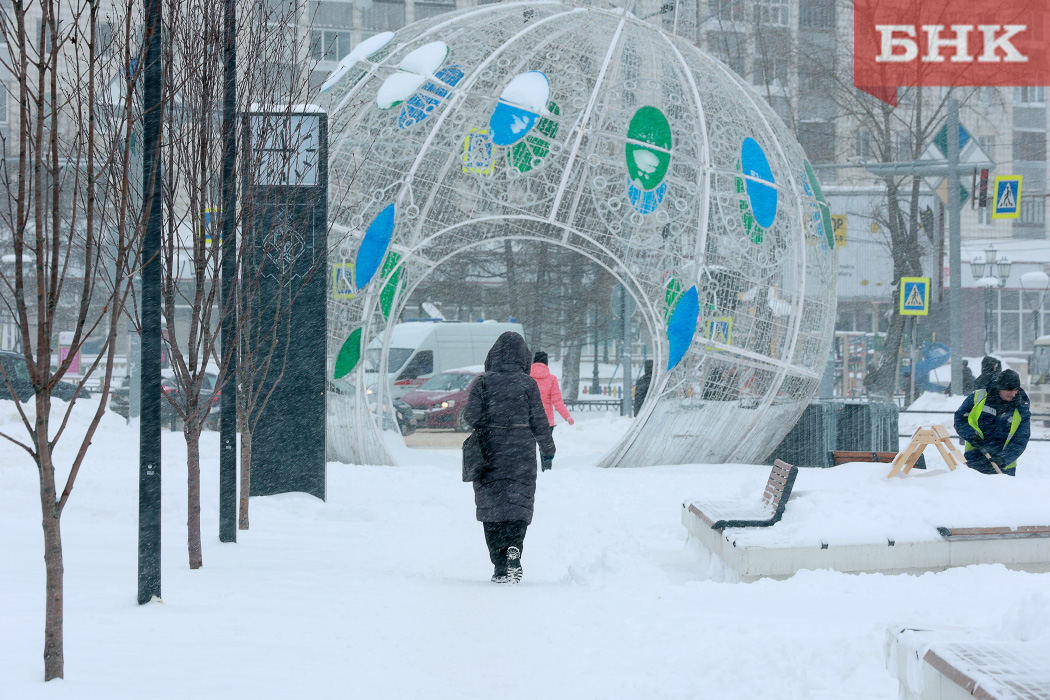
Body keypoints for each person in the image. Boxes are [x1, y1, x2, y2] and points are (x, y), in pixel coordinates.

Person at [464, 332, 556, 584]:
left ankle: (499, 564)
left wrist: (489, 421)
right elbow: (540, 421)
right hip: (521, 453)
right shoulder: (528, 385)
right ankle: (514, 548)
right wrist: (548, 450)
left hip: (489, 453)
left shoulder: (482, 383)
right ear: (523, 358)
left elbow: (469, 418)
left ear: (492, 356)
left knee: (491, 508)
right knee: (518, 502)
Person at [953, 369, 1030, 476]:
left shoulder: (1021, 408)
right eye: (1009, 390)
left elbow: (1021, 439)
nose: (1013, 394)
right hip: (976, 460)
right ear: (1000, 387)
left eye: (1016, 389)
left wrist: (1004, 458)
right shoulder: (978, 397)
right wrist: (971, 435)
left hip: (1004, 467)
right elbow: (960, 419)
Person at [529, 351, 574, 429]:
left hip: (529, 420)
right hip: (546, 422)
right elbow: (557, 401)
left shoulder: (526, 378)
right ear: (546, 363)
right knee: (546, 441)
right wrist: (567, 417)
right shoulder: (552, 379)